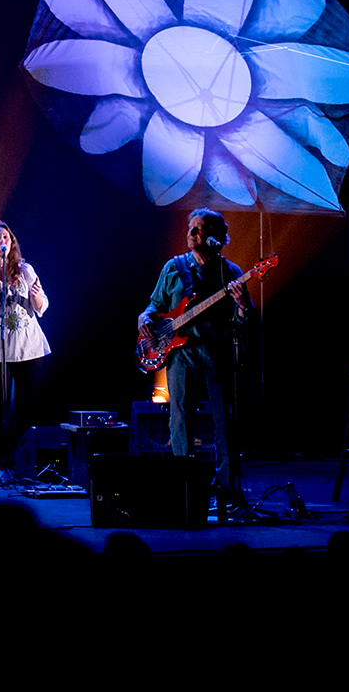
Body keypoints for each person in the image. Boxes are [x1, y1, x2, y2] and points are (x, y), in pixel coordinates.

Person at [138, 208, 250, 511]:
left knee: (224, 424)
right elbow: (154, 304)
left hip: (217, 355)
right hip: (181, 355)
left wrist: (241, 306)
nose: (190, 234)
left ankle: (228, 490)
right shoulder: (174, 268)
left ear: (213, 236)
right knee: (180, 421)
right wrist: (144, 318)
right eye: (190, 227)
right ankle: (183, 486)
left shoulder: (231, 273)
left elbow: (242, 320)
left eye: (197, 229)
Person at [0, 220, 50, 471]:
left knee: (28, 407)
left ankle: (25, 460)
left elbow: (42, 307)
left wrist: (37, 296)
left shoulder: (26, 271)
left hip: (29, 348)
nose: (2, 241)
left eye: (5, 237)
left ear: (11, 242)